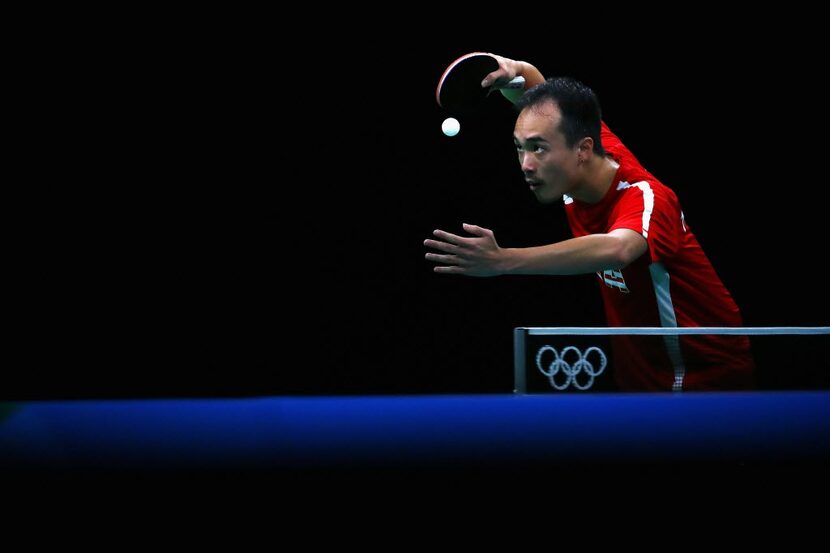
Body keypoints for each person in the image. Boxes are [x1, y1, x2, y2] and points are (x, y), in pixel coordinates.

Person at [424, 54, 754, 391]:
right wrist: (515, 69)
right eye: (519, 149)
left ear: (582, 151)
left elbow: (619, 248)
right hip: (641, 376)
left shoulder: (646, 198)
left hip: (703, 375)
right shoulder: (584, 152)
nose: (525, 164)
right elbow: (547, 102)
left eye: (537, 149)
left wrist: (503, 260)